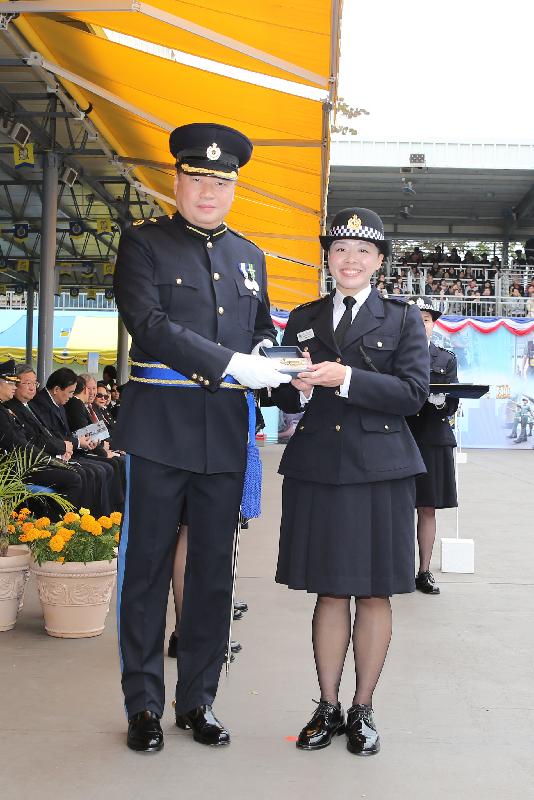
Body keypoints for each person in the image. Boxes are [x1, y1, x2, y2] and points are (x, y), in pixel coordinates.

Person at [112, 122, 290, 753]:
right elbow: (148, 324)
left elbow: (257, 329)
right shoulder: (144, 244)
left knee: (215, 575)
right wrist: (229, 364)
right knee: (148, 571)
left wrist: (272, 359)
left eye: (221, 181)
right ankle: (143, 704)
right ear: (178, 180)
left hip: (223, 432)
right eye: (198, 179)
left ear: (233, 187)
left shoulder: (250, 255)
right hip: (160, 426)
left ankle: (199, 700)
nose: (208, 191)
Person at [268, 207, 429, 756]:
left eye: (362, 251)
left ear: (379, 261)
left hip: (381, 468)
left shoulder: (404, 319)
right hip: (318, 466)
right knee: (330, 587)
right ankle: (327, 705)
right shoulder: (304, 317)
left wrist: (349, 378)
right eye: (339, 250)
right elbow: (285, 394)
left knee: (375, 590)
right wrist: (303, 388)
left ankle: (362, 708)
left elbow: (412, 394)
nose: (350, 259)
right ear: (327, 259)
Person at [405, 299, 459, 595]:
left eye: (426, 319)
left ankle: (423, 571)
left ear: (433, 324)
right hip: (398, 436)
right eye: (415, 318)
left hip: (432, 438)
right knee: (395, 507)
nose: (421, 323)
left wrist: (441, 401)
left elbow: (453, 401)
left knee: (427, 508)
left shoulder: (444, 358)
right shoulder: (394, 357)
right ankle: (396, 569)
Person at [0, 360, 85, 511]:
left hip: (26, 463)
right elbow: (18, 443)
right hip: (17, 469)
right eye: (10, 382)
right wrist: (50, 460)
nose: (14, 386)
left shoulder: (8, 409)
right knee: (74, 479)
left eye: (34, 383)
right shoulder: (6, 409)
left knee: (78, 473)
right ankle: (58, 526)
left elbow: (34, 437)